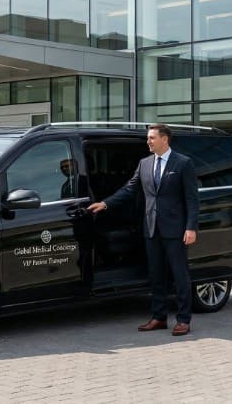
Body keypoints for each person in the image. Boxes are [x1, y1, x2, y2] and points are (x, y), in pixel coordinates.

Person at [87, 124, 200, 337]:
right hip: (151, 228)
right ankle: (159, 317)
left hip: (175, 230)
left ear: (164, 139)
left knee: (179, 275)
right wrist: (106, 203)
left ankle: (184, 320)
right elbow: (130, 189)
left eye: (152, 138)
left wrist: (191, 227)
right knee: (156, 275)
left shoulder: (183, 163)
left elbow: (192, 199)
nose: (148, 141)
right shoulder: (144, 163)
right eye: (148, 138)